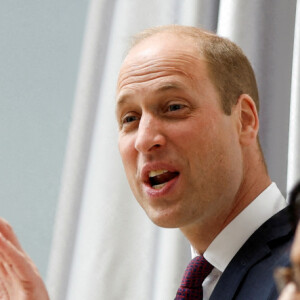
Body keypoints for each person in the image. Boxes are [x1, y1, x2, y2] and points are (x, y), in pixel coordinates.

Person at [0, 25, 295, 299]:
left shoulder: (293, 273)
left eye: (174, 107)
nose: (144, 139)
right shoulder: (205, 281)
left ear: (244, 120)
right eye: (130, 118)